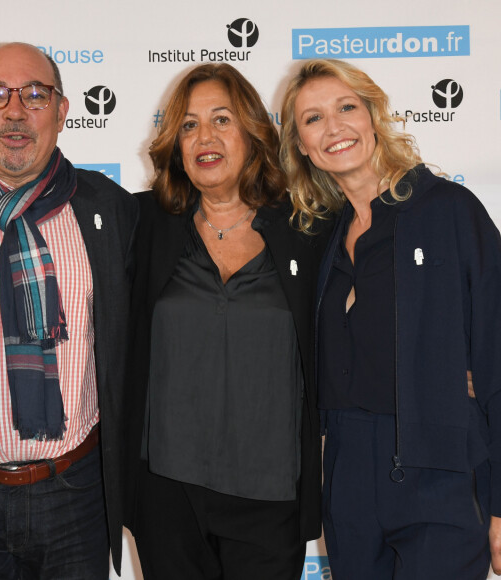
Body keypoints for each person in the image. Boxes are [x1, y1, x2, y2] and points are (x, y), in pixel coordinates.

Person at [279, 59, 501, 579]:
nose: (333, 127)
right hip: (348, 475)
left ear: (374, 116)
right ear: (302, 146)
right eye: (312, 119)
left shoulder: (450, 211)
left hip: (441, 473)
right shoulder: (320, 236)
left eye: (346, 107)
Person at [123, 63, 331, 580]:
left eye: (222, 119)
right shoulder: (143, 223)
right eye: (189, 125)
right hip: (166, 493)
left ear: (253, 133)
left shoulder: (308, 227)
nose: (204, 137)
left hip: (269, 497)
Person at [0, 43, 137, 579]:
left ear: (62, 111)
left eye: (34, 94)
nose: (14, 112)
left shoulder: (109, 208)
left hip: (77, 490)